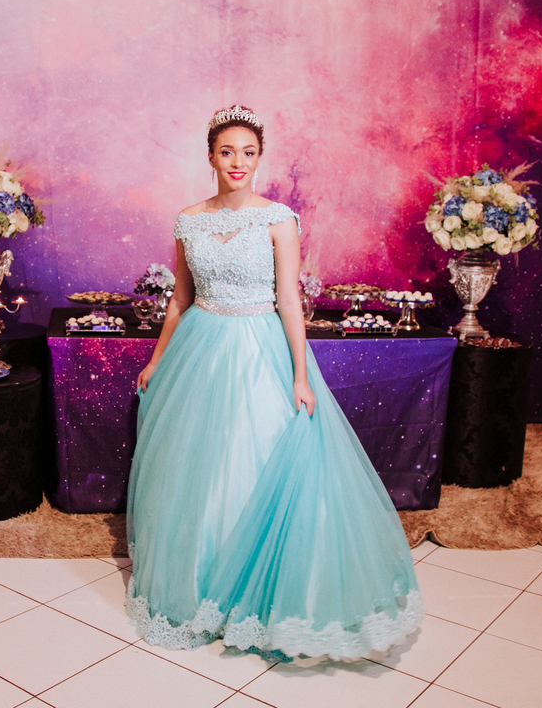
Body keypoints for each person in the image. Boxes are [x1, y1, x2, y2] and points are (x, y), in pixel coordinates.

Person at [125, 105, 423, 663]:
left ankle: (261, 591)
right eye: (227, 152)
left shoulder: (279, 220)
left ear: (260, 158)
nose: (238, 162)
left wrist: (301, 376)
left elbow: (289, 300)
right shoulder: (188, 220)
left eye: (248, 152)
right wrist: (157, 358)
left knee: (259, 454)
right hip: (200, 348)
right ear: (210, 157)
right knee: (200, 467)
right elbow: (180, 298)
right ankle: (202, 584)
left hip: (260, 347)